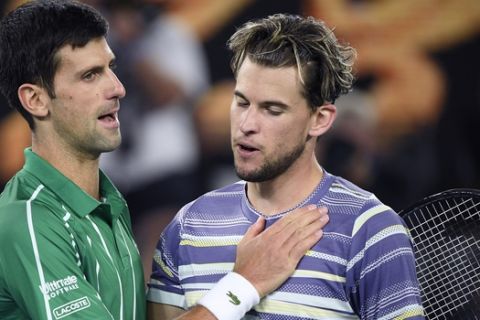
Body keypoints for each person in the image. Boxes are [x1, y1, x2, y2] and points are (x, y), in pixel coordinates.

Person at [0, 2, 328, 319]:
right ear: (36, 100)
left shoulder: (106, 205)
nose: (117, 89)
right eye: (89, 75)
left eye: (111, 68)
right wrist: (245, 283)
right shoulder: (26, 221)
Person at [147, 14, 425, 319]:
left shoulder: (372, 230)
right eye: (241, 102)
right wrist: (242, 284)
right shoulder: (187, 227)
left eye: (272, 109)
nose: (247, 125)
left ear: (320, 119)